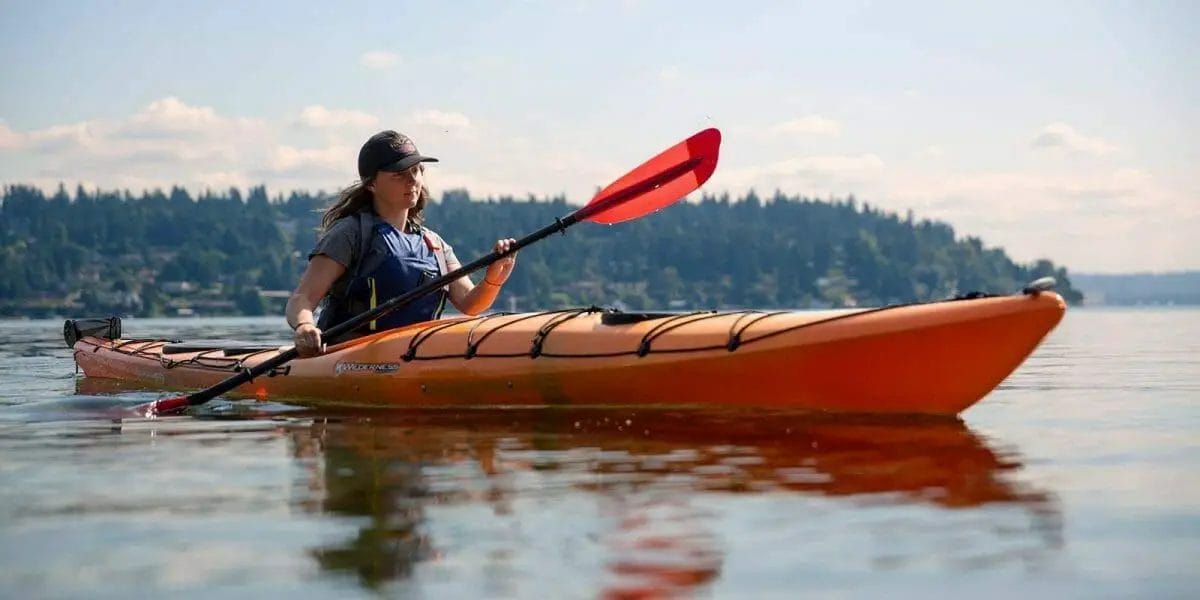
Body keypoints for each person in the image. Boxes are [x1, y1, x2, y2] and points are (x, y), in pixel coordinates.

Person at [285, 130, 516, 357]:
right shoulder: (351, 233)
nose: (413, 180)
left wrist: (493, 279)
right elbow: (302, 298)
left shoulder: (433, 244)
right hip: (350, 354)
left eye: (416, 171)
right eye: (399, 174)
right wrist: (305, 326)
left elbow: (470, 304)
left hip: (414, 355)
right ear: (371, 184)